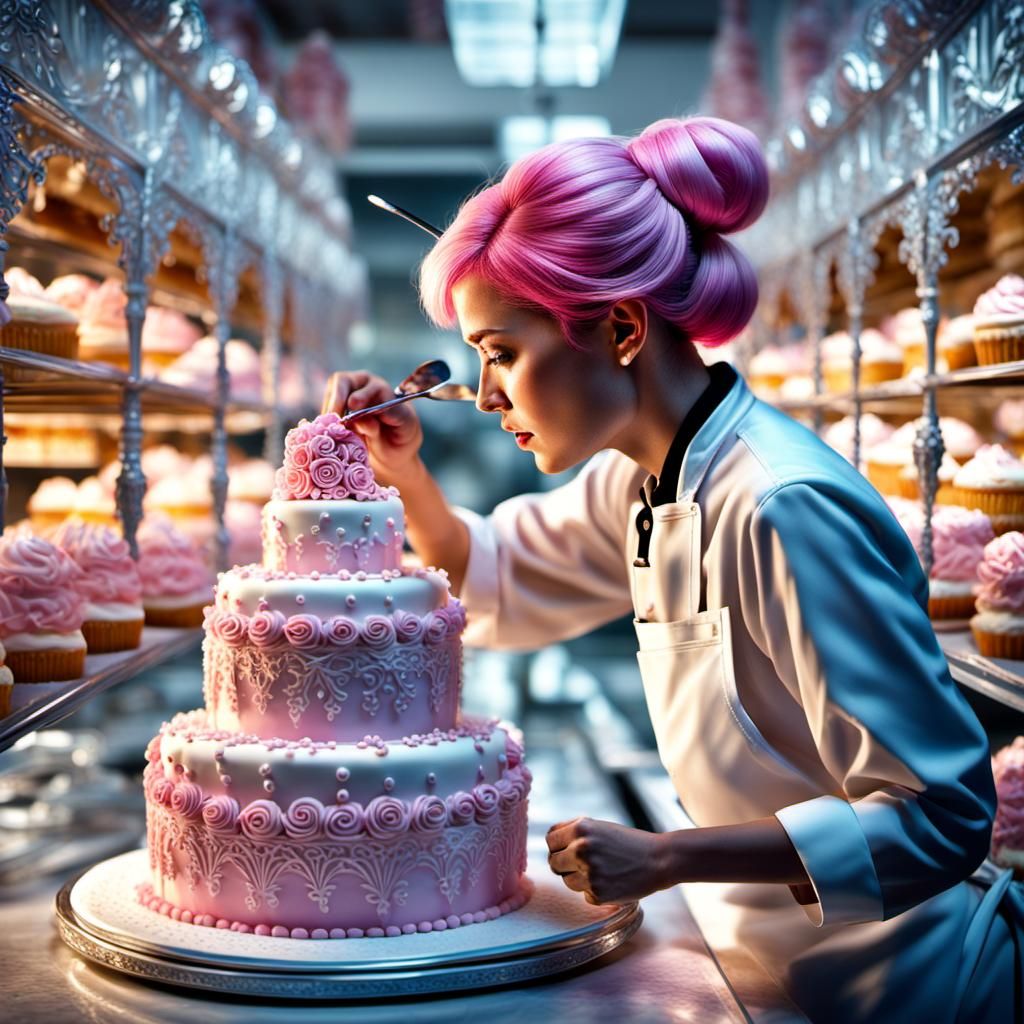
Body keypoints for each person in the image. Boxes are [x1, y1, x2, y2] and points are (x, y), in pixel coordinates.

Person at [323, 116, 1021, 1022]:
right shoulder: (644, 480)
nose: (486, 395)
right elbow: (490, 575)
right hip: (774, 979)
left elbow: (942, 813)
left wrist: (670, 857)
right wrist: (404, 473)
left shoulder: (781, 505)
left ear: (619, 327)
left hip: (917, 990)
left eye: (501, 355)